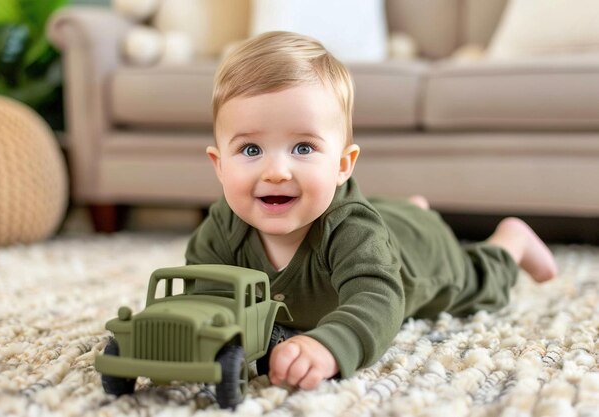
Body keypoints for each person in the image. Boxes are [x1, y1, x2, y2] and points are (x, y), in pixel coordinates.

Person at [185, 31, 558, 391]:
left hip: (418, 253)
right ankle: (409, 209)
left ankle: (511, 240)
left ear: (344, 164)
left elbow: (376, 299)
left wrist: (331, 345)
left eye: (302, 148)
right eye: (251, 150)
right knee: (379, 220)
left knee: (476, 282)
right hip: (377, 218)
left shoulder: (353, 233)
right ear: (219, 165)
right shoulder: (222, 228)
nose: (277, 172)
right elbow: (204, 297)